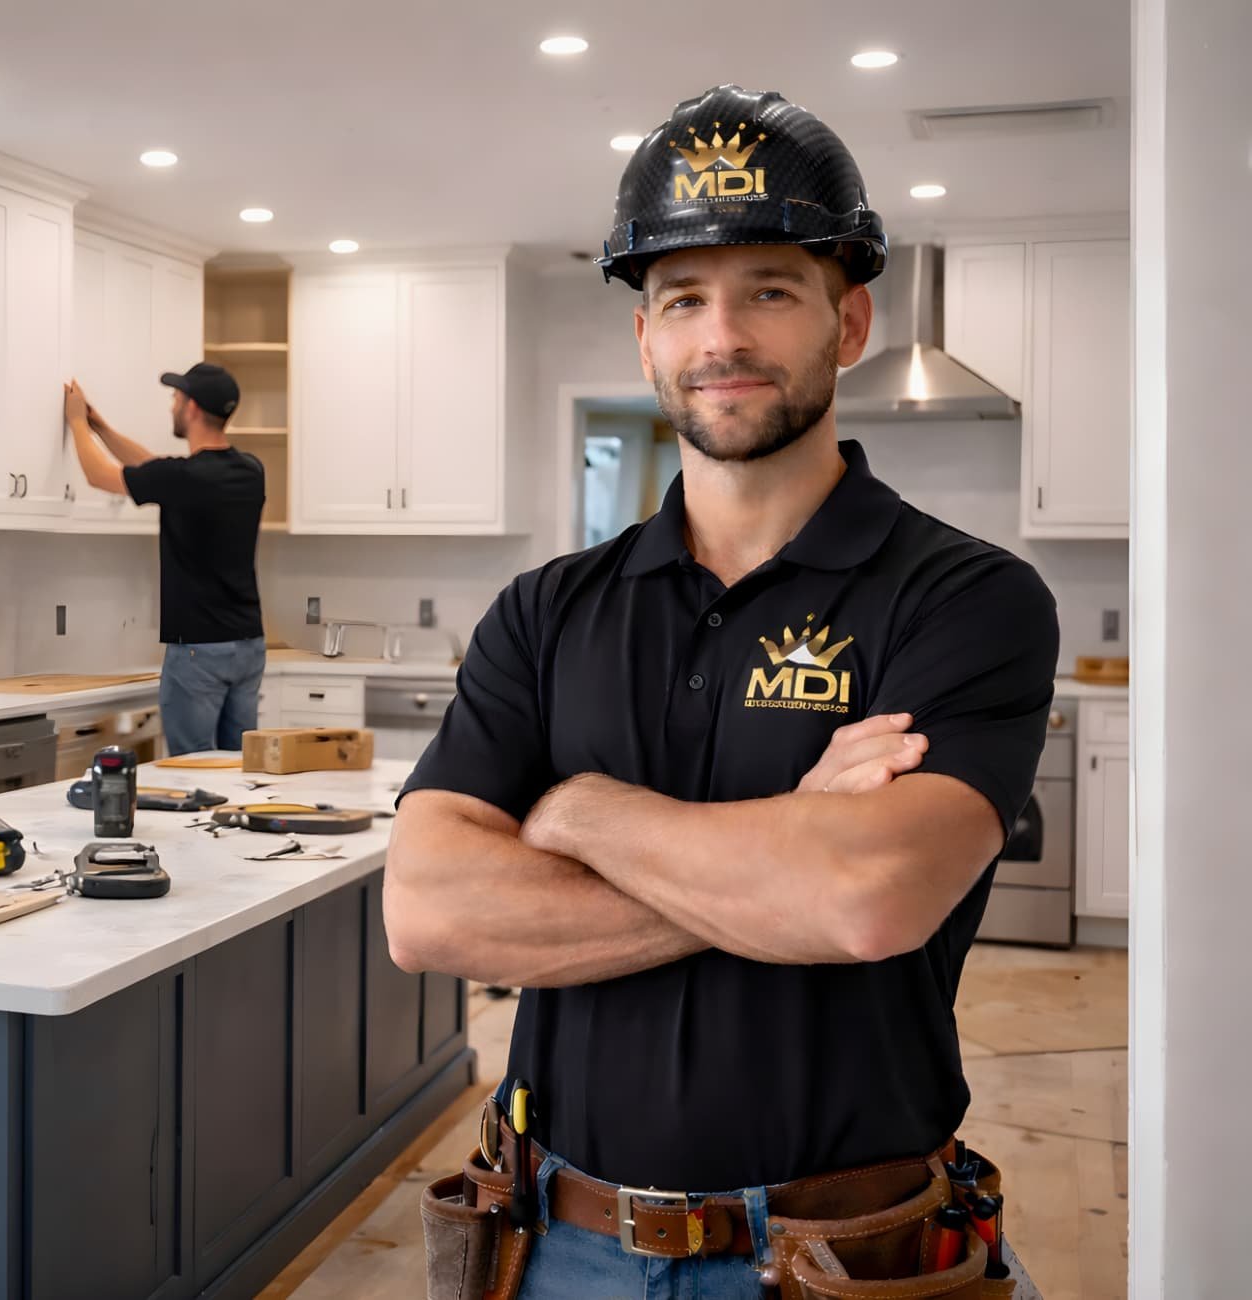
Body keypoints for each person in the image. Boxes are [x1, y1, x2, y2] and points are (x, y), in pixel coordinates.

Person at [386, 85, 1058, 1298]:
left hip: (848, 1256)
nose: (722, 336)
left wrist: (579, 811)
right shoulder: (548, 609)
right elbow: (430, 911)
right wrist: (786, 847)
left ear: (847, 323)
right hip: (555, 1241)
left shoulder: (967, 597)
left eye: (770, 290)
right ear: (644, 340)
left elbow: (864, 897)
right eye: (682, 298)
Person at [65, 363, 267, 755]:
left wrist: (75, 422)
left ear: (191, 408)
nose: (172, 405)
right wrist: (100, 428)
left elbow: (98, 474)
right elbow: (153, 468)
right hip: (247, 648)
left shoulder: (185, 479)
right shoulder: (250, 471)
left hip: (199, 652)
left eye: (176, 397)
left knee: (193, 770)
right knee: (238, 769)